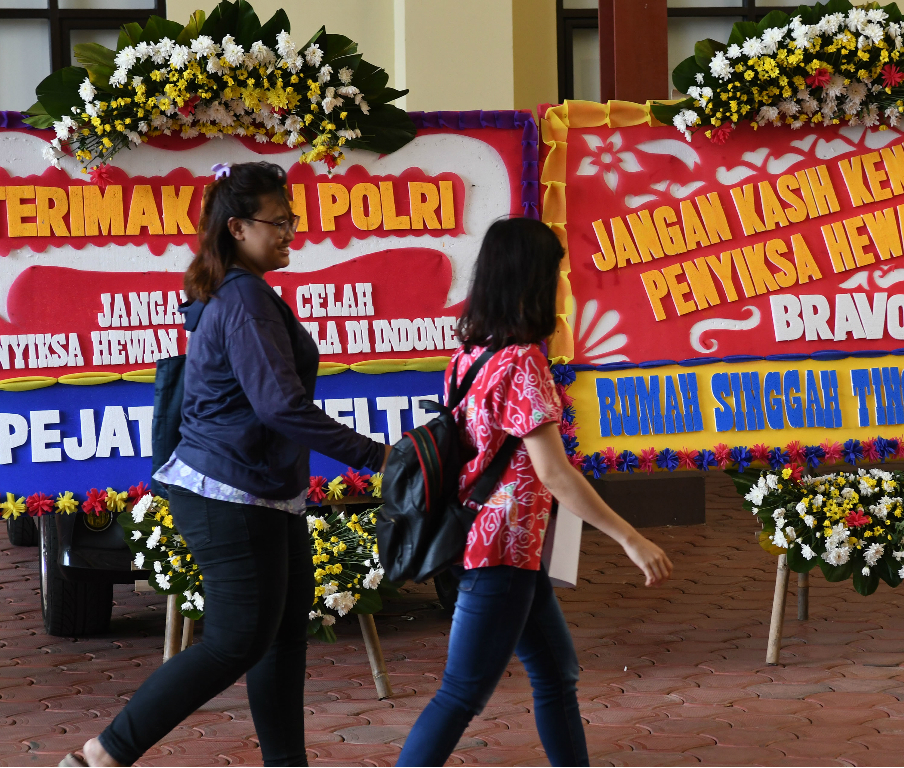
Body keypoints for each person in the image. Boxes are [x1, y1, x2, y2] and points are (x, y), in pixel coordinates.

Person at [64, 162, 388, 768]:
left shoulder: (246, 292)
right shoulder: (243, 298)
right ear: (238, 227)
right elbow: (280, 405)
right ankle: (102, 755)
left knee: (283, 635)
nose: (292, 231)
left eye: (293, 219)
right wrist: (377, 458)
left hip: (262, 490)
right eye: (280, 221)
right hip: (229, 492)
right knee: (237, 641)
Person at [396, 217, 673, 767]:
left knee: (555, 674)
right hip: (500, 550)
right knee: (461, 693)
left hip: (488, 543)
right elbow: (555, 473)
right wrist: (630, 538)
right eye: (556, 272)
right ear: (533, 280)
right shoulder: (523, 361)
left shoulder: (469, 356)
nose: (563, 282)